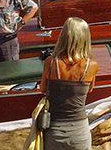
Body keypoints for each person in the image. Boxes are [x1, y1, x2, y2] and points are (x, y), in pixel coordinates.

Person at [39, 17, 99, 150]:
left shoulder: (51, 62)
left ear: (64, 36)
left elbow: (43, 89)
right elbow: (89, 90)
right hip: (80, 131)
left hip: (54, 130)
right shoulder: (92, 65)